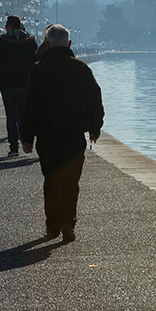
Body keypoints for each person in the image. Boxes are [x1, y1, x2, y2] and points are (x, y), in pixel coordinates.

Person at [20, 24, 104, 243]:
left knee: (51, 180)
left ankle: (52, 225)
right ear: (69, 44)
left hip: (47, 136)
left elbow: (29, 105)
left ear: (47, 44)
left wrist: (26, 136)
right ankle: (68, 220)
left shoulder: (38, 69)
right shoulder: (81, 68)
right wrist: (95, 127)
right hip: (73, 135)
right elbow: (95, 99)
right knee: (70, 182)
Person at [0, 16, 38, 157]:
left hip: (7, 85)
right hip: (25, 84)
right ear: (20, 26)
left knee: (11, 116)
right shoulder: (30, 42)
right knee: (24, 115)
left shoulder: (2, 42)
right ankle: (26, 141)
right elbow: (37, 63)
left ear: (9, 26)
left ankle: (13, 148)